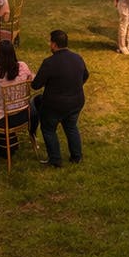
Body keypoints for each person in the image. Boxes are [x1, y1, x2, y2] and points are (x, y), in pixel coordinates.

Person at [32, 30, 88, 168]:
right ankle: (77, 156)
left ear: (54, 44)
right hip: (76, 102)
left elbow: (36, 85)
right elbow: (85, 75)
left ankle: (55, 160)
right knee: (71, 127)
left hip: (54, 105)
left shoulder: (49, 63)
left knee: (48, 129)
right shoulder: (78, 58)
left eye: (50, 42)